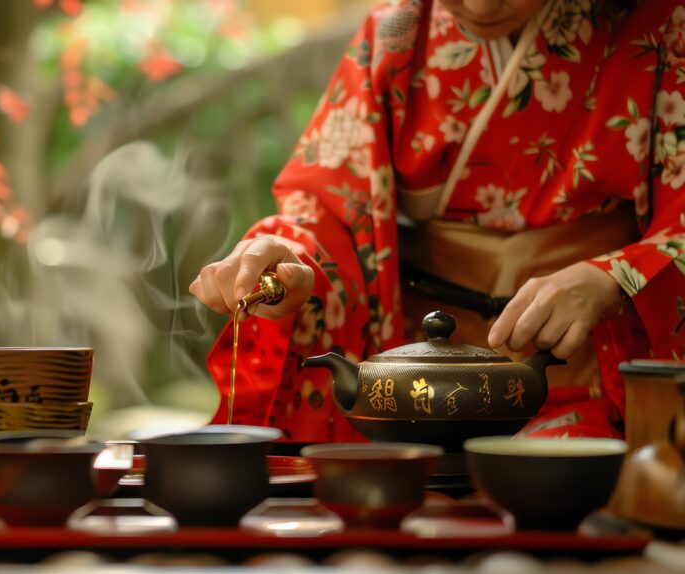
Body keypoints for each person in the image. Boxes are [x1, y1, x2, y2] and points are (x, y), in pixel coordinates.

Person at [190, 0, 685, 443]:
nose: (481, 6)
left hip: (588, 380)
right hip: (410, 391)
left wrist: (615, 276)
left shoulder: (660, 25)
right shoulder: (395, 33)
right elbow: (333, 213)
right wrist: (291, 266)